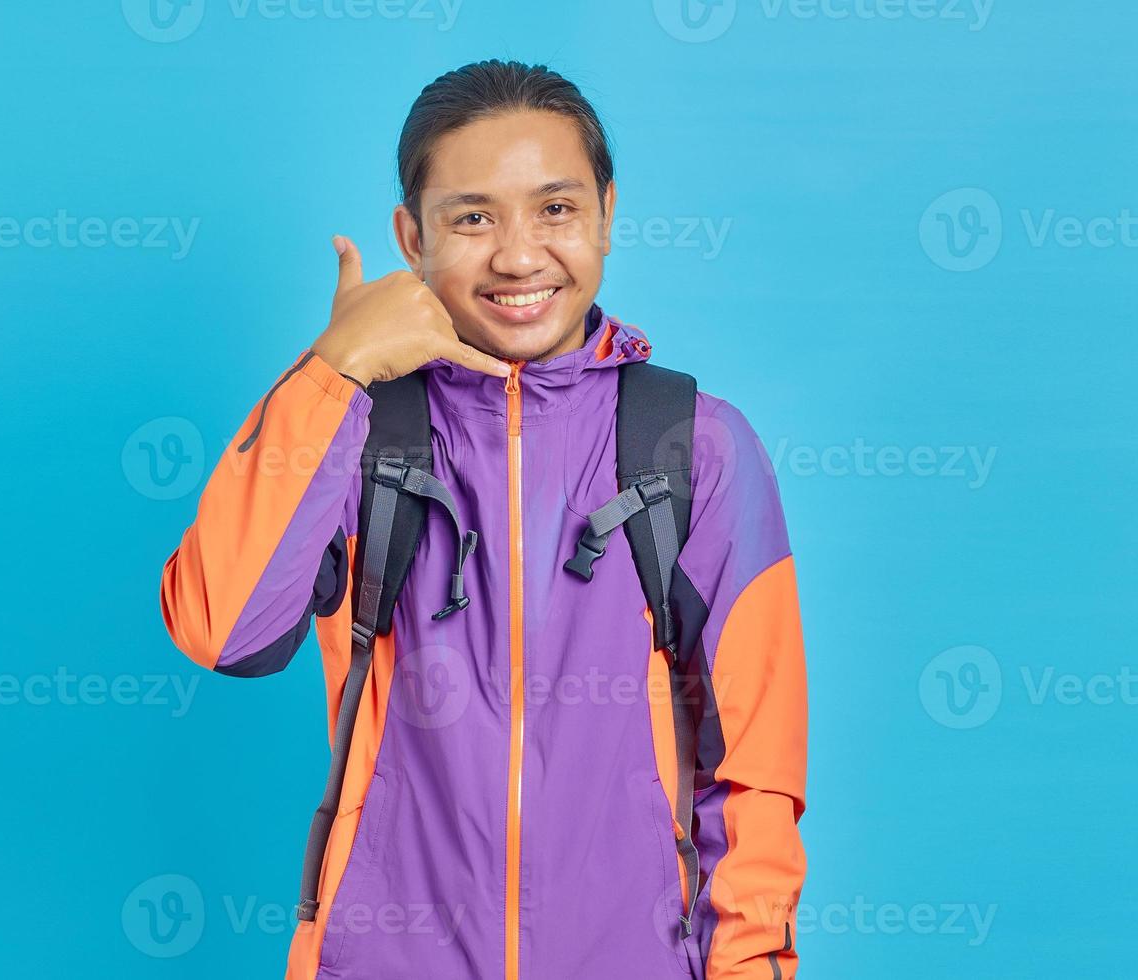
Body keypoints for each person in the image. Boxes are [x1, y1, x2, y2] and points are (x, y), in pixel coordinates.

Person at [160, 58, 807, 980]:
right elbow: (223, 628)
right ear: (409, 237)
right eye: (472, 217)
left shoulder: (693, 444)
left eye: (556, 208)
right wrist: (330, 372)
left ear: (607, 214)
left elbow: (755, 772)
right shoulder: (353, 429)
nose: (518, 255)